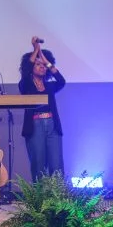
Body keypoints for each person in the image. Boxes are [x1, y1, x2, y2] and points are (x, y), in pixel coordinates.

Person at [18, 36, 66, 182]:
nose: (42, 67)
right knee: (38, 165)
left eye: (44, 65)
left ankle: (57, 195)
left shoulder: (50, 85)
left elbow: (61, 81)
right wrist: (36, 49)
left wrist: (46, 61)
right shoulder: (26, 85)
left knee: (56, 166)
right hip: (35, 126)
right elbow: (26, 70)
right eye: (38, 64)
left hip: (52, 126)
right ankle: (39, 196)